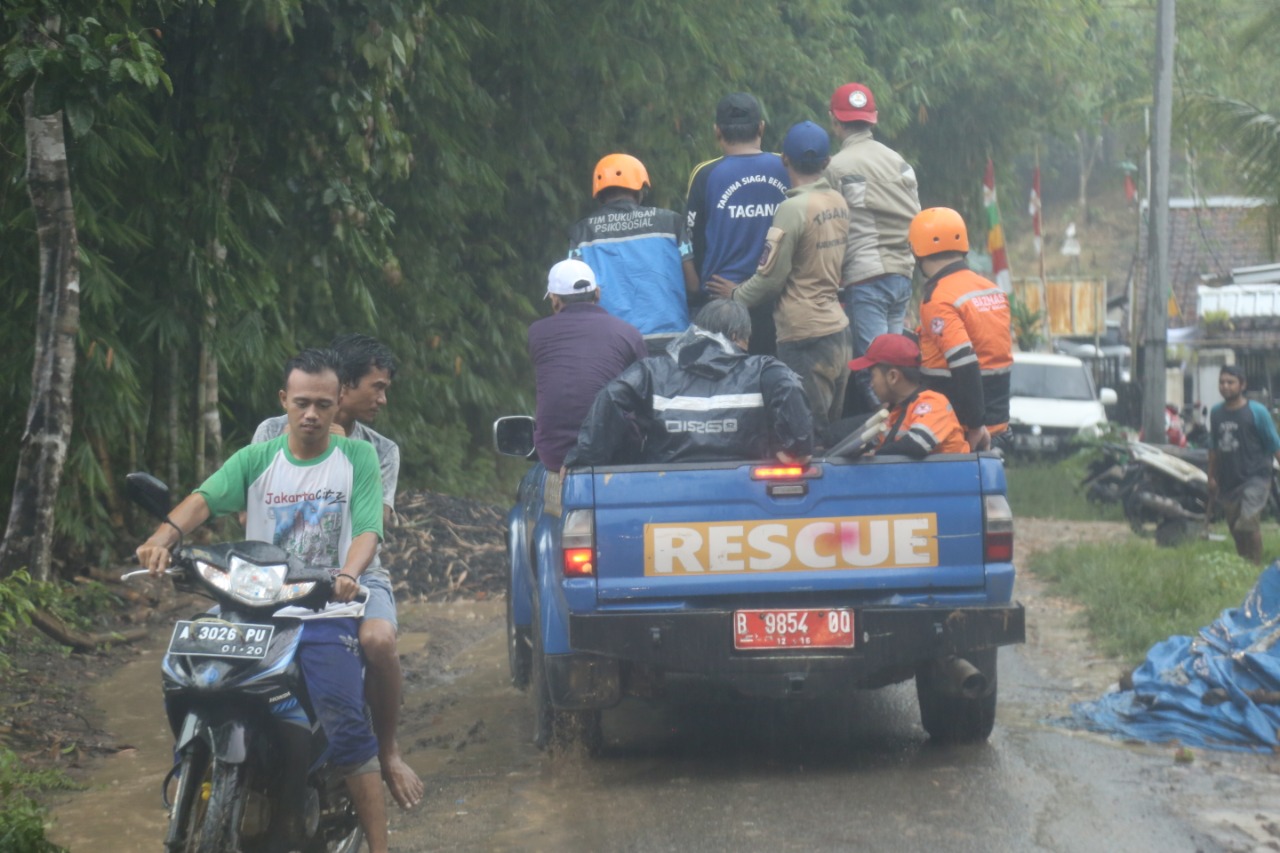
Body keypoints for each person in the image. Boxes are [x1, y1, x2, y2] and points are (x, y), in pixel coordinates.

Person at [137, 349, 389, 852]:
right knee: (194, 674)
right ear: (284, 402)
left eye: (322, 403)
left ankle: (381, 845)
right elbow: (203, 499)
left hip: (324, 608)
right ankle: (201, 771)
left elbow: (367, 529)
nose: (312, 414)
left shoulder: (358, 457)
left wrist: (348, 573)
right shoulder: (257, 457)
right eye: (301, 403)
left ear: (339, 402)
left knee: (345, 723)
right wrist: (164, 536)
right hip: (253, 607)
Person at [252, 334, 422, 811]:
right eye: (377, 387)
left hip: (356, 572)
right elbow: (249, 503)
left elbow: (373, 524)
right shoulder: (271, 432)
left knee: (379, 641)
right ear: (341, 388)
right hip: (279, 572)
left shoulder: (379, 451)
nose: (383, 399)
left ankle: (387, 751)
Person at [707, 120, 851, 439]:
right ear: (827, 163)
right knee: (830, 433)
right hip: (839, 330)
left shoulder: (792, 209)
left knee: (805, 434)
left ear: (784, 158)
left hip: (803, 334)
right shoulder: (839, 203)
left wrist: (733, 297)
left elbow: (770, 279)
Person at [565, 299, 813, 466]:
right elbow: (790, 386)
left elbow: (610, 396)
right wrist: (797, 450)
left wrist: (585, 458)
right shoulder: (764, 370)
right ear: (737, 337)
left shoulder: (653, 370)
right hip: (748, 488)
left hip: (665, 489)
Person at [824, 82, 921, 414]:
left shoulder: (837, 167)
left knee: (873, 372)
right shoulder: (900, 162)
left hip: (865, 278)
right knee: (897, 371)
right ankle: (901, 425)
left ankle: (884, 437)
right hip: (902, 275)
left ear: (835, 121)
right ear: (873, 119)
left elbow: (831, 222)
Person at [685, 92, 791, 355]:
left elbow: (693, 239)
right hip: (778, 299)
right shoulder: (784, 166)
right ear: (761, 128)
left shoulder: (705, 174)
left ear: (717, 131)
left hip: (720, 304)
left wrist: (697, 292)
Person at [529, 259, 648, 472]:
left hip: (556, 456)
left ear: (555, 300)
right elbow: (644, 399)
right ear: (598, 294)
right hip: (616, 455)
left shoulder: (537, 333)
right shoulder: (629, 334)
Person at [909, 207, 1012, 451]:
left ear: (917, 250)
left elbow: (964, 363)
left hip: (963, 430)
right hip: (998, 424)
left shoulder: (938, 298)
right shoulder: (992, 290)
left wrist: (976, 425)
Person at [568, 153, 696, 338]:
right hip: (669, 337)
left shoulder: (582, 232)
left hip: (610, 340)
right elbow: (693, 284)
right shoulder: (671, 222)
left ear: (599, 194)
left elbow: (574, 295)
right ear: (640, 189)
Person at [849, 333, 969, 458]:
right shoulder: (895, 413)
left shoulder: (933, 403)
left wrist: (876, 455)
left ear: (893, 376)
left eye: (872, 376)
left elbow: (916, 444)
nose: (871, 384)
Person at [1208, 365, 1280, 564]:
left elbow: (1274, 444)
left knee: (1247, 523)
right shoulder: (1216, 413)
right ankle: (1245, 564)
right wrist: (1211, 477)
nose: (1225, 386)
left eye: (1230, 382)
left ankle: (1256, 565)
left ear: (1242, 385)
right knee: (1235, 528)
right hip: (1229, 479)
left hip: (1256, 477)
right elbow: (1213, 448)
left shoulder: (1257, 412)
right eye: (1222, 382)